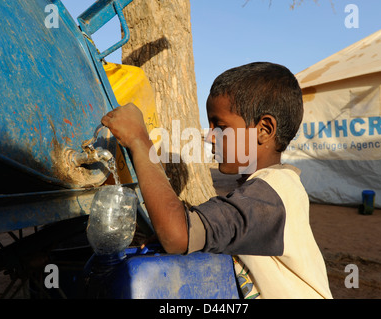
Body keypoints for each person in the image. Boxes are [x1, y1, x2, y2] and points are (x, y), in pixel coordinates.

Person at [101, 62, 332, 299]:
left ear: (264, 129)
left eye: (220, 126)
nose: (210, 137)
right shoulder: (261, 190)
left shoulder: (272, 192)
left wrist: (140, 141)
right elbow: (197, 230)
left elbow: (177, 234)